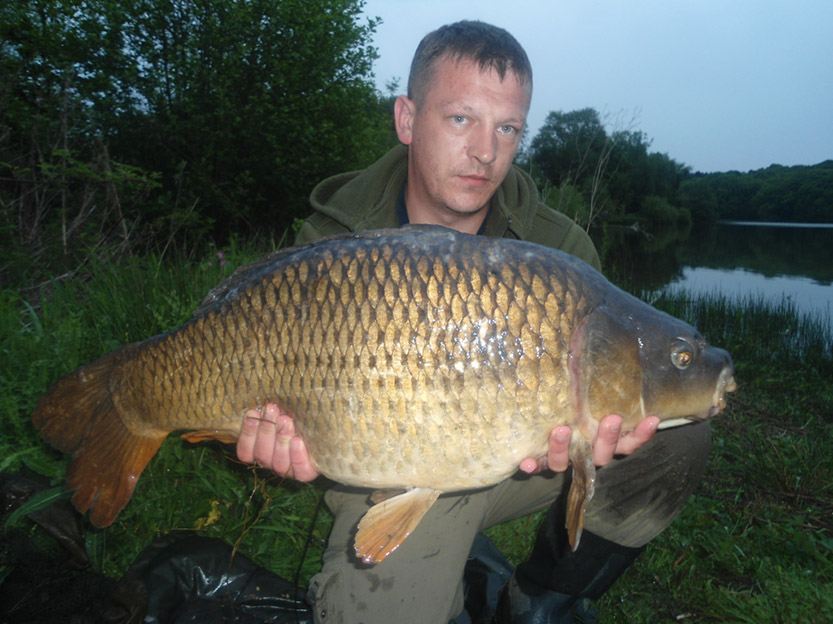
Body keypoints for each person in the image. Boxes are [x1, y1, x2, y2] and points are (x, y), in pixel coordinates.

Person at [236, 20, 711, 623]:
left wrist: (601, 434)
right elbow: (270, 412)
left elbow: (611, 382)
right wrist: (273, 445)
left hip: (524, 462)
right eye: (462, 119)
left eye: (507, 128)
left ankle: (542, 600)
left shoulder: (560, 250)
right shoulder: (332, 244)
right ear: (407, 119)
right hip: (389, 464)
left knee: (678, 434)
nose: (486, 151)